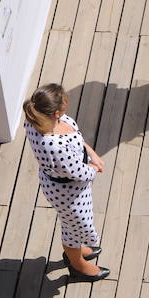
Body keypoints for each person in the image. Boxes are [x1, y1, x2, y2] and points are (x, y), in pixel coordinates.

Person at [23, 84, 109, 282]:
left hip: (65, 183)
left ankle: (78, 250)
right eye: (64, 105)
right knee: (74, 227)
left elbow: (76, 138)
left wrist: (91, 153)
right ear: (55, 113)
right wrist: (95, 168)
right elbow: (79, 173)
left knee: (74, 225)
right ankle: (78, 265)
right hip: (68, 193)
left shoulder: (36, 119)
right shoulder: (54, 147)